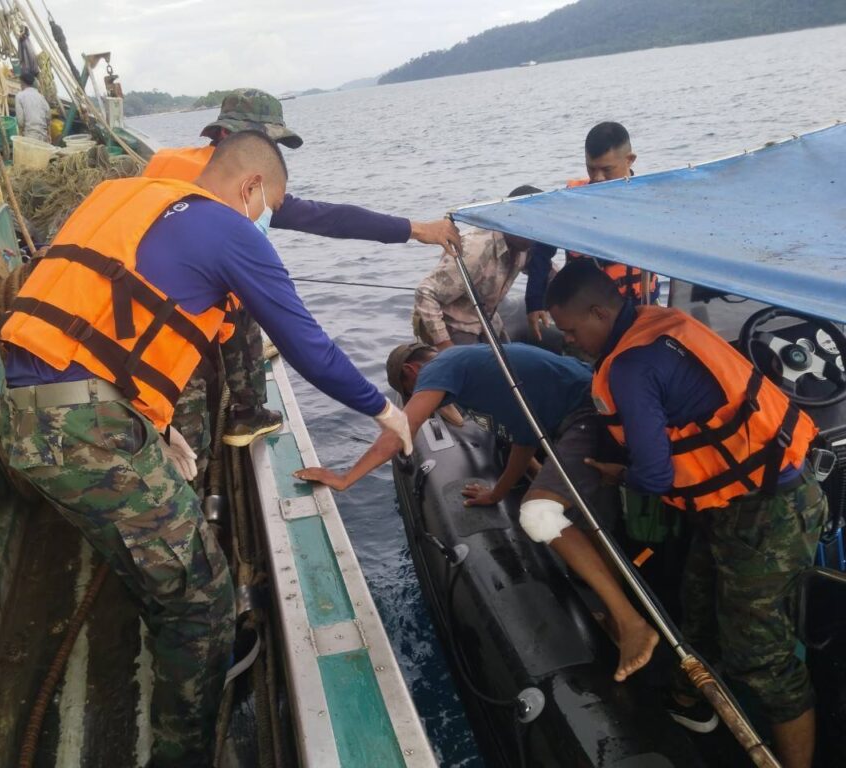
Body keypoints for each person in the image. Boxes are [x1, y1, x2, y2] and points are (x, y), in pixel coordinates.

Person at [0, 132, 413, 767]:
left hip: (25, 413)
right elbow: (309, 346)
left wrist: (151, 424)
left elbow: (94, 326)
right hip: (86, 432)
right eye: (269, 207)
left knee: (159, 573)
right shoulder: (230, 230)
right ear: (251, 188)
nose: (265, 219)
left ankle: (172, 641)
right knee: (206, 602)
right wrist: (386, 411)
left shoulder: (124, 195)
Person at [545, 259, 826, 768]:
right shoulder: (657, 321)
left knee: (762, 657)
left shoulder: (630, 367)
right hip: (735, 504)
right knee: (697, 609)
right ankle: (689, 704)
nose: (568, 341)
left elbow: (654, 477)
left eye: (570, 330)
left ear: (599, 313)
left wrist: (618, 475)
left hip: (769, 514)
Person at [143, 89, 461, 491]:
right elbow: (325, 227)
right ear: (238, 139)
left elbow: (327, 217)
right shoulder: (239, 191)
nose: (273, 154)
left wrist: (413, 229)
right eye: (269, 142)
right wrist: (384, 411)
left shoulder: (166, 168)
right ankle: (242, 419)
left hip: (133, 321)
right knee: (187, 452)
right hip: (172, 341)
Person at [294, 340, 660, 683]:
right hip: (600, 407)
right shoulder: (486, 373)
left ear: (411, 371)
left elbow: (402, 429)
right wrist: (496, 493)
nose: (424, 402)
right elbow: (524, 441)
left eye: (413, 392)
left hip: (589, 412)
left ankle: (632, 623)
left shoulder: (442, 366)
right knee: (591, 523)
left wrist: (345, 478)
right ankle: (617, 619)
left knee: (539, 513)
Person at [525, 121, 659, 340]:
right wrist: (534, 301)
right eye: (591, 168)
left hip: (639, 309)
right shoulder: (571, 200)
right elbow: (541, 251)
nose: (597, 178)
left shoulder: (651, 200)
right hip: (586, 318)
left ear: (629, 160)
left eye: (607, 169)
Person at [413, 185, 558, 349]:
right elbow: (425, 293)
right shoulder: (475, 249)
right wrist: (444, 346)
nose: (533, 235)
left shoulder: (525, 244)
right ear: (508, 218)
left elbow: (544, 271)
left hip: (488, 321)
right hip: (456, 328)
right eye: (528, 227)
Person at [14, 72, 51, 143]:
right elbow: (48, 117)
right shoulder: (41, 97)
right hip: (43, 136)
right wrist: (49, 135)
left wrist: (20, 134)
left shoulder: (19, 96)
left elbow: (20, 121)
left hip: (30, 136)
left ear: (22, 82)